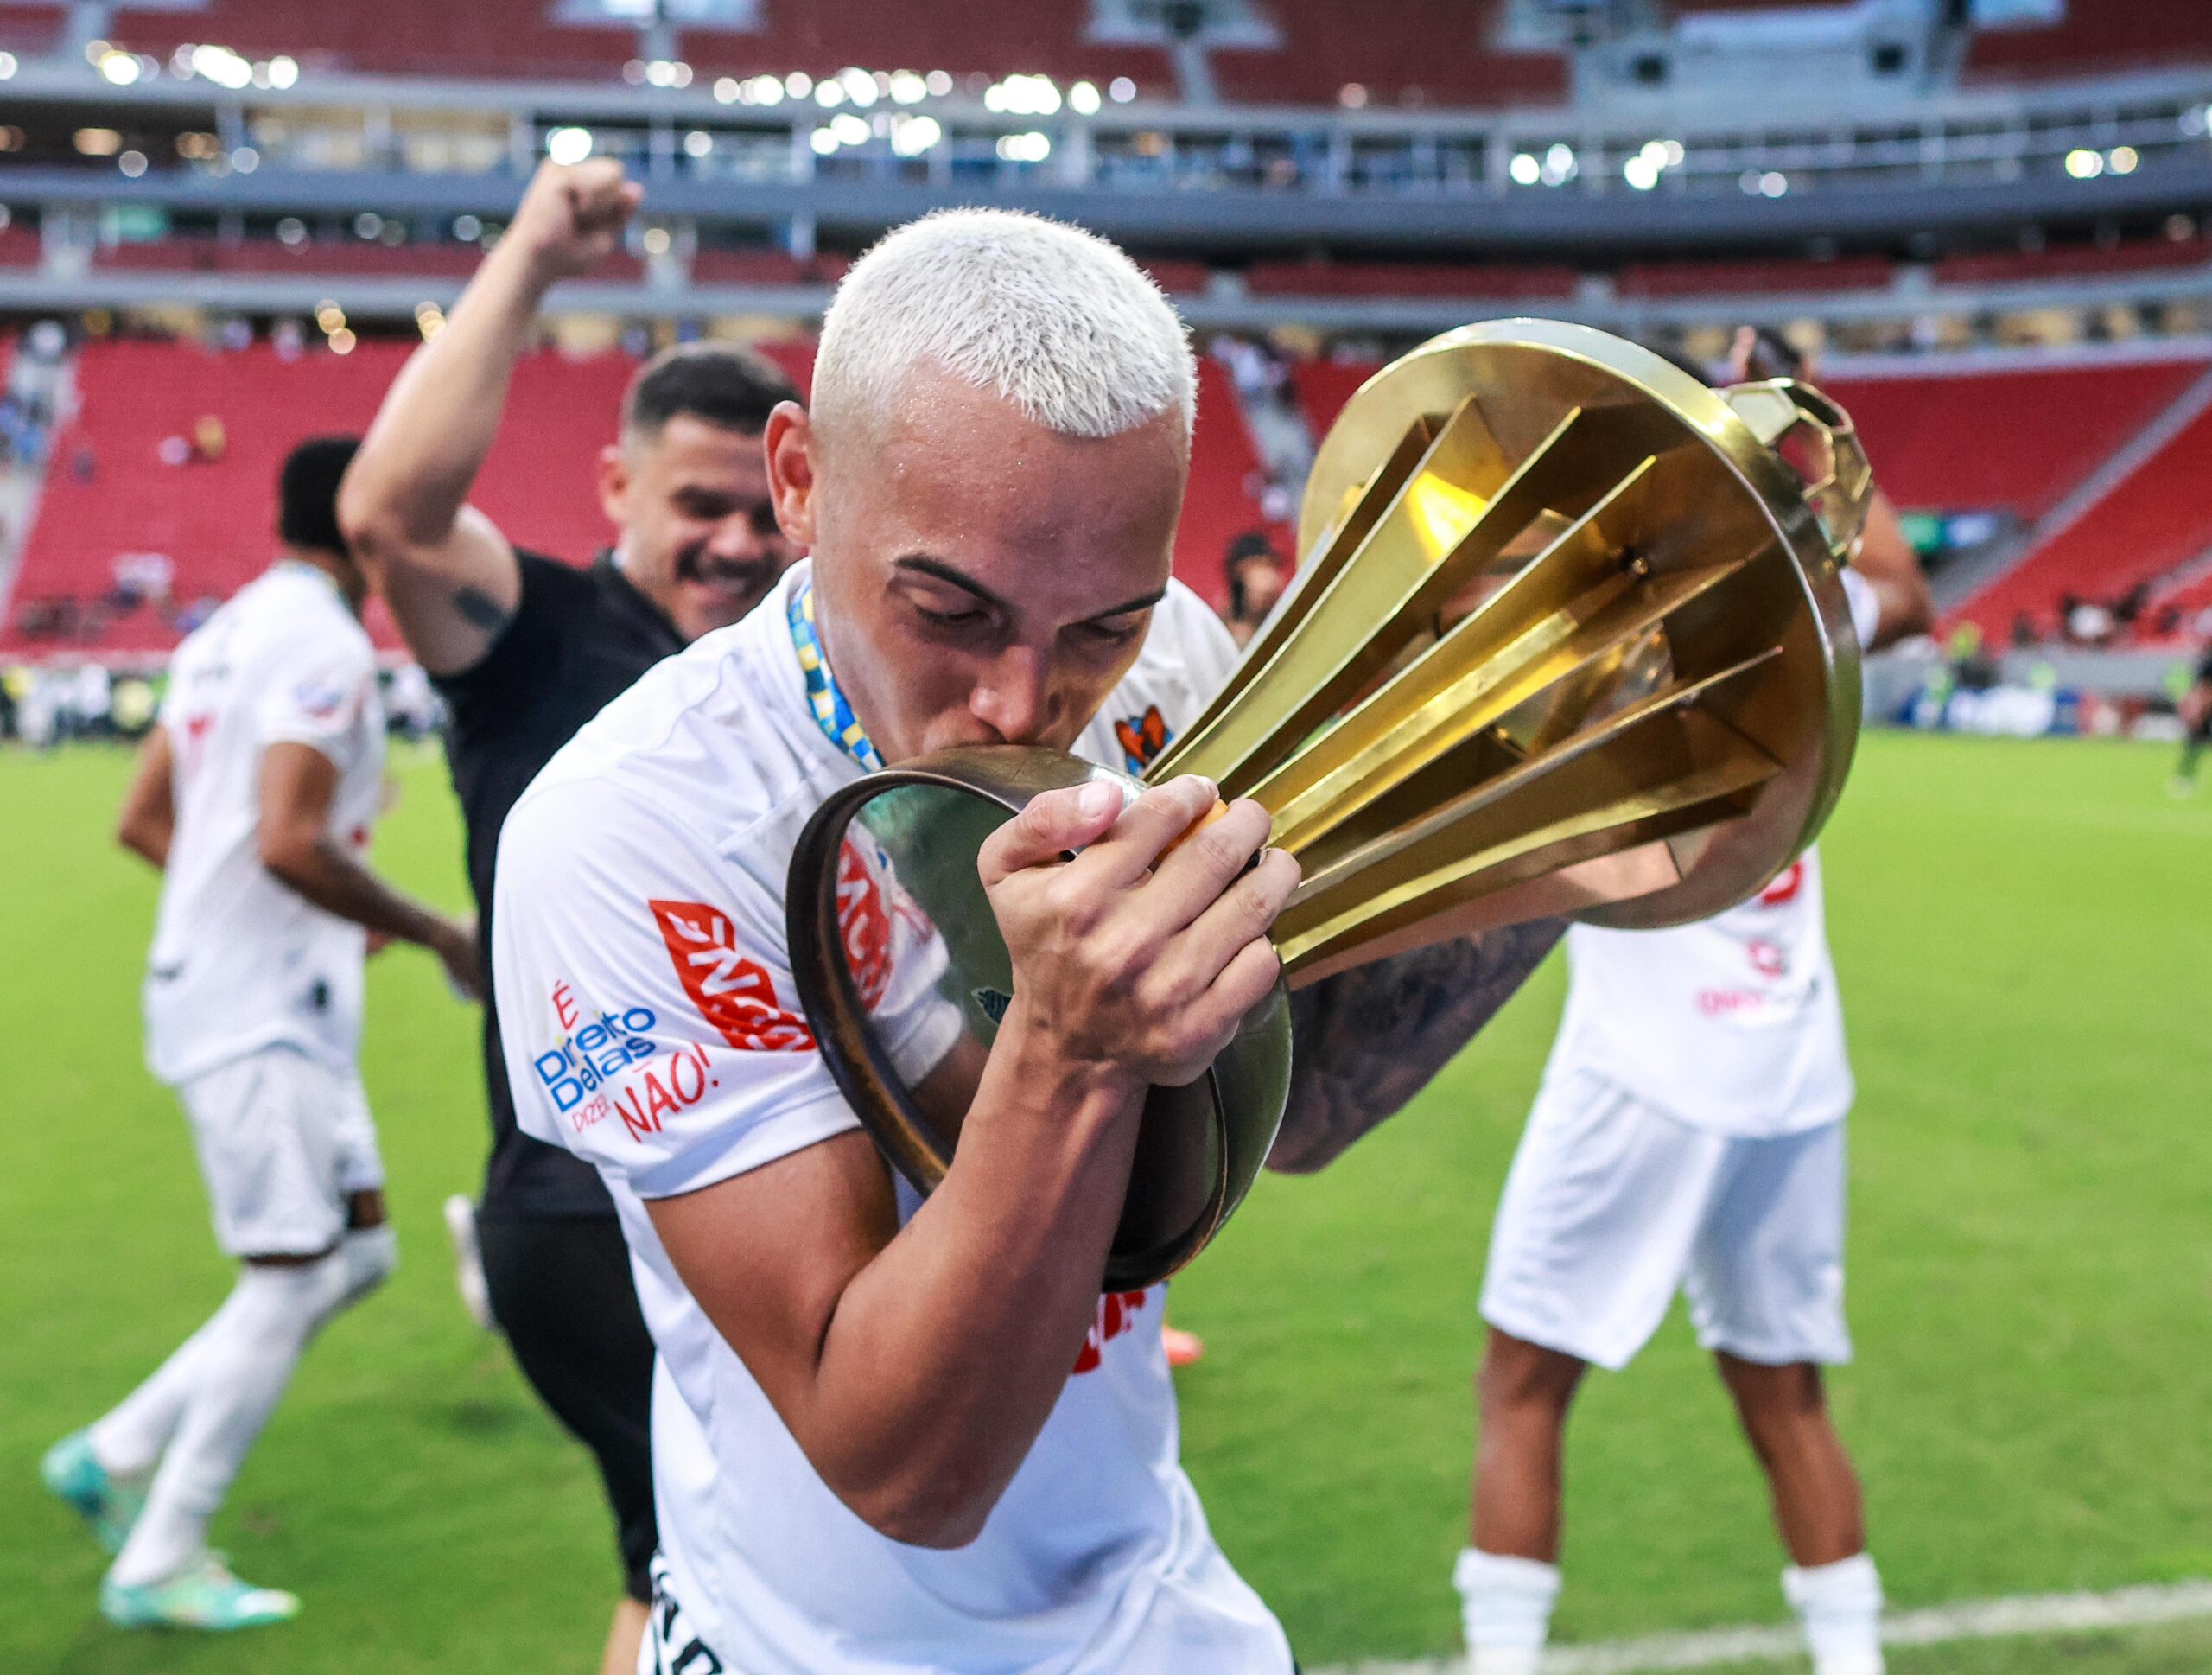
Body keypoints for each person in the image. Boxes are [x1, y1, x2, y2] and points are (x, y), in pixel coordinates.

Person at [490, 207, 1567, 1675]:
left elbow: (1292, 1110)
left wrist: (1547, 842)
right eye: (950, 607)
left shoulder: (1173, 660)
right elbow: (903, 1466)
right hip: (821, 1645)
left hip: (1150, 1596)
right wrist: (1066, 1048)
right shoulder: (636, 829)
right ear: (800, 482)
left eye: (1098, 625)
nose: (1022, 701)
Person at [334, 156, 802, 1675]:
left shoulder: (810, 660)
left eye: (762, 508)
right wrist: (533, 253)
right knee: (743, 1571)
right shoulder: (540, 641)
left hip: (766, 1179)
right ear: (616, 491)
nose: (735, 543)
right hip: (595, 1206)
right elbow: (392, 515)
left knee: (681, 1564)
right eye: (695, 507)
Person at [1452, 332, 1934, 1675]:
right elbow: (1907, 583)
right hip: (1792, 1061)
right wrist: (1807, 410)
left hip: (1647, 1059)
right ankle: (1855, 1660)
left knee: (1523, 1384)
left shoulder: (1587, 618)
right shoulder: (1803, 601)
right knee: (1785, 1399)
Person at [41, 436, 480, 1631]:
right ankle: (160, 1550)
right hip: (258, 1013)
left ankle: (117, 1447)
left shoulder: (225, 629)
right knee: (291, 1276)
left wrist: (316, 912)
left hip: (250, 991)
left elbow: (153, 822)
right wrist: (434, 929)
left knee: (360, 1253)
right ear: (362, 520)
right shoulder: (323, 642)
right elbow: (288, 840)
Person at [2172, 646, 2212, 797]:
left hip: (2205, 708)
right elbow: (2203, 689)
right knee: (2195, 744)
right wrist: (2199, 711)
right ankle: (2184, 776)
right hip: (2207, 710)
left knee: (2195, 743)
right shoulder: (2208, 663)